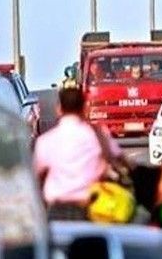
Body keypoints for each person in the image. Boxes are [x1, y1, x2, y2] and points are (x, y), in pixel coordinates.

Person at [33, 87, 125, 220]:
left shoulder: (46, 141)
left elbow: (35, 174)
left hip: (57, 211)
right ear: (84, 108)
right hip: (92, 208)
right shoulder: (98, 135)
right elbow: (119, 159)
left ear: (59, 109)